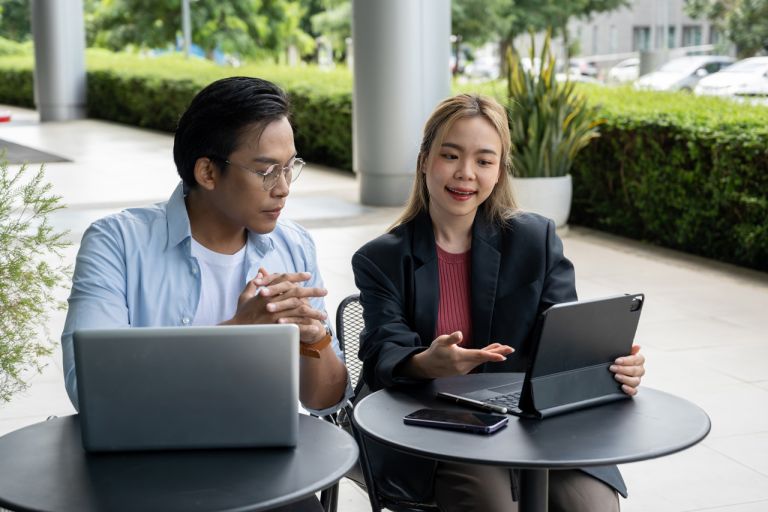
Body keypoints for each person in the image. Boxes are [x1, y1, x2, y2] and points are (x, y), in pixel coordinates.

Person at [351, 94, 646, 512]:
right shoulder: (381, 258)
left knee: (591, 505)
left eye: (484, 161)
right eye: (450, 155)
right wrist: (426, 362)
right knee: (493, 504)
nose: (465, 174)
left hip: (530, 421)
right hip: (435, 424)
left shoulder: (534, 240)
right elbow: (383, 349)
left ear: (499, 170)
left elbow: (566, 342)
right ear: (424, 160)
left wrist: (614, 366)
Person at [62, 77, 351, 448]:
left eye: (289, 166)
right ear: (208, 172)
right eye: (266, 171)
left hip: (261, 462)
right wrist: (239, 332)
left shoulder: (292, 244)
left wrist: (316, 341)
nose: (283, 187)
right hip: (146, 460)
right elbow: (89, 390)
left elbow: (324, 401)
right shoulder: (116, 243)